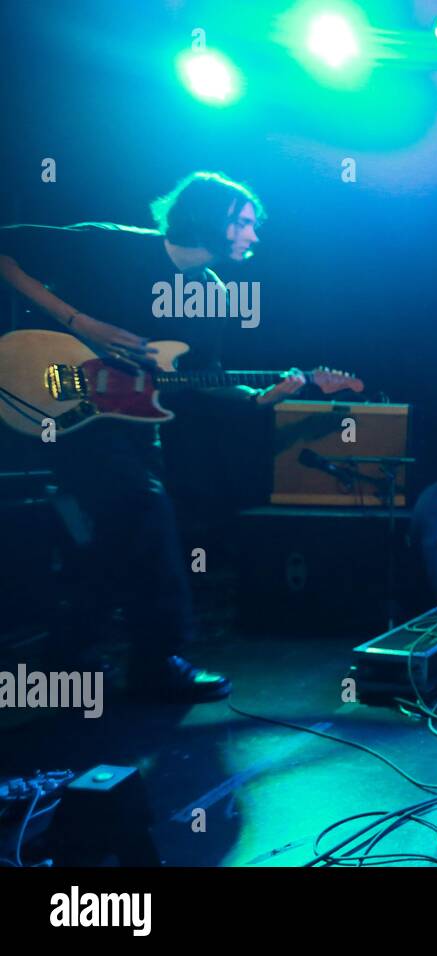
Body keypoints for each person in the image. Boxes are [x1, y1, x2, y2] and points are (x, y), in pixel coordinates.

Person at [0, 171, 307, 702]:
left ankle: (72, 654)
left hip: (132, 424)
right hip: (58, 400)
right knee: (145, 506)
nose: (253, 237)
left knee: (125, 528)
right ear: (207, 217)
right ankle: (156, 658)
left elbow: (199, 378)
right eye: (243, 223)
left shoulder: (210, 292)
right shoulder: (110, 243)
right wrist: (79, 320)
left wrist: (261, 400)